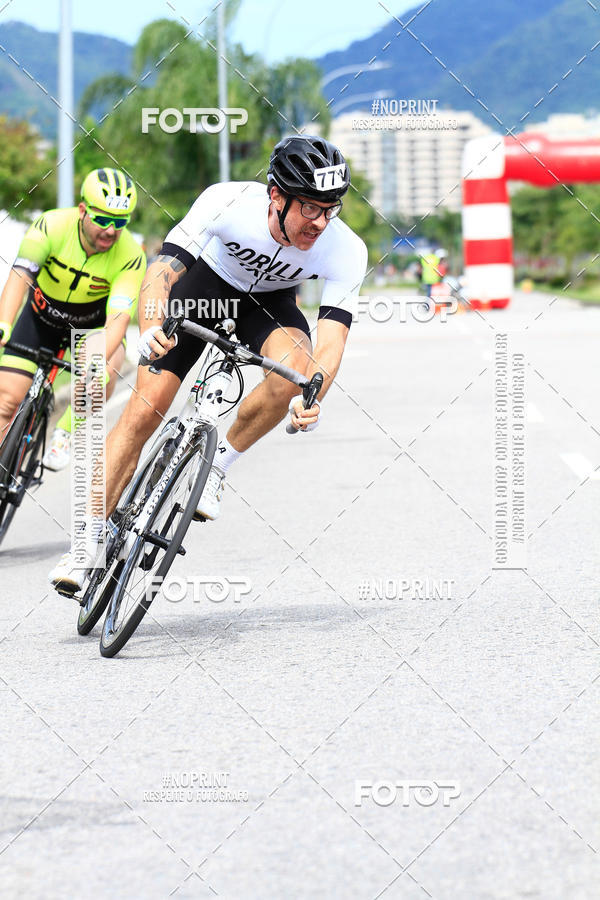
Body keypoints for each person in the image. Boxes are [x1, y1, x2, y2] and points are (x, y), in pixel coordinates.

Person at [49, 135, 368, 593]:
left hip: (269, 305)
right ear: (276, 196)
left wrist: (312, 394)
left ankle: (218, 464)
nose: (319, 221)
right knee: (144, 411)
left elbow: (332, 340)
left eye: (330, 208)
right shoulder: (228, 202)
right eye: (309, 207)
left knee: (293, 375)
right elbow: (162, 271)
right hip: (203, 289)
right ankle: (86, 545)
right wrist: (152, 327)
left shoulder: (345, 249)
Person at [0, 168, 146, 470]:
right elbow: (20, 275)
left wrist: (95, 363)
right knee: (6, 401)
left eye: (120, 222)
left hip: (90, 329)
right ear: (82, 211)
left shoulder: (131, 255)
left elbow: (119, 317)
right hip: (39, 320)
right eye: (103, 219)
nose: (111, 231)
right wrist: (3, 323)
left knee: (104, 371)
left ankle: (64, 432)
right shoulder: (50, 226)